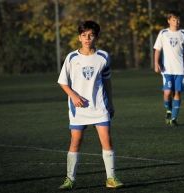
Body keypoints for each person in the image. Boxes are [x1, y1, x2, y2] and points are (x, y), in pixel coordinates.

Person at [57, 20, 123, 190]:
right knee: (75, 142)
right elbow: (63, 82)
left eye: (91, 35)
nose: (87, 38)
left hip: (99, 107)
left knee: (106, 140)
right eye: (84, 35)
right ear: (79, 37)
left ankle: (111, 178)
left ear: (96, 37)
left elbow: (107, 82)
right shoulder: (72, 57)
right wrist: (73, 96)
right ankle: (70, 179)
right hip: (78, 109)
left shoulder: (103, 56)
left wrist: (111, 103)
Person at [153, 10, 184, 127]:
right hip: (167, 69)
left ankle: (174, 118)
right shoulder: (163, 33)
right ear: (169, 21)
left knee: (177, 92)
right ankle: (168, 110)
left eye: (178, 20)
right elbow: (157, 49)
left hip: (180, 69)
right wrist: (156, 63)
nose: (177, 22)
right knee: (167, 92)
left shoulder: (183, 33)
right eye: (174, 20)